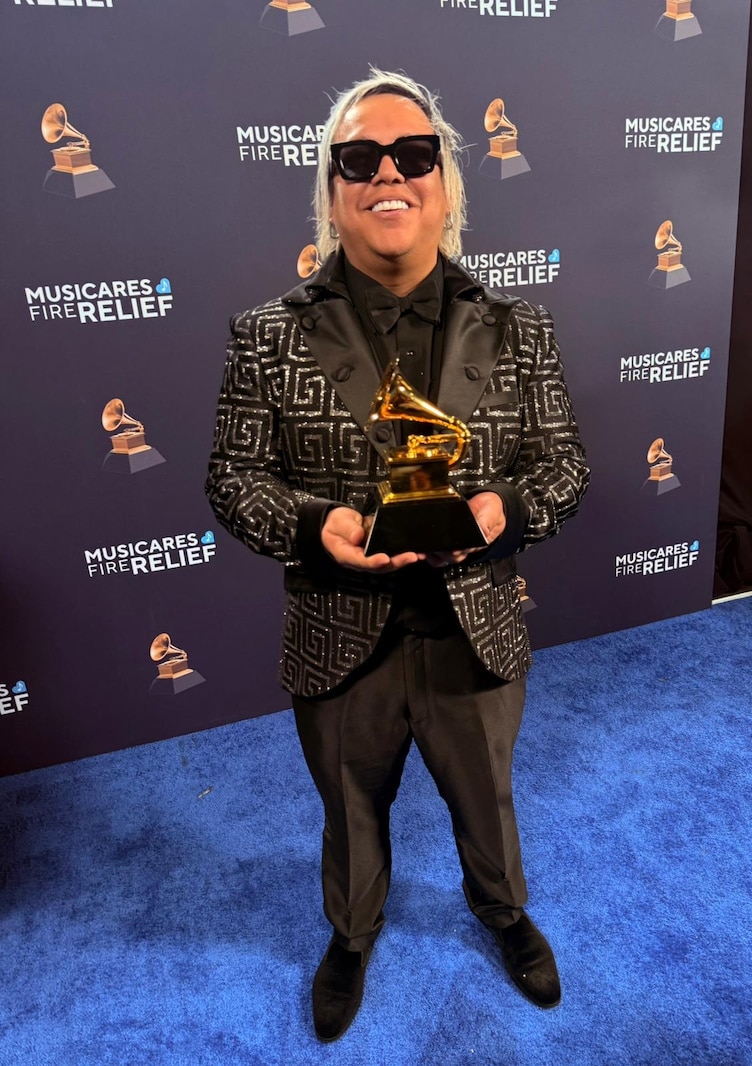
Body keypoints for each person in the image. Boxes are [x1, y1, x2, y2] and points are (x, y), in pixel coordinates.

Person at [206, 68, 590, 1042]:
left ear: (445, 183)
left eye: (414, 154)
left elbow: (563, 466)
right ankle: (350, 933)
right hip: (338, 628)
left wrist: (507, 507)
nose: (389, 172)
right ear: (332, 189)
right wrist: (310, 526)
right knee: (349, 810)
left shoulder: (518, 329)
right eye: (359, 157)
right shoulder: (265, 339)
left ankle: (501, 913)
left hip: (474, 624)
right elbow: (234, 479)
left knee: (486, 800)